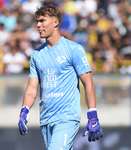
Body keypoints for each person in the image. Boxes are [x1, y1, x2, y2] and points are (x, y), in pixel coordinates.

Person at [18, 4, 103, 150]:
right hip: (46, 119)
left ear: (55, 22)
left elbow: (88, 83)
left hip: (67, 117)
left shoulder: (74, 49)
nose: (38, 25)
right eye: (37, 21)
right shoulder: (36, 55)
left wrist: (92, 114)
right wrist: (24, 110)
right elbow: (32, 87)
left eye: (42, 21)